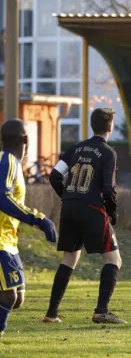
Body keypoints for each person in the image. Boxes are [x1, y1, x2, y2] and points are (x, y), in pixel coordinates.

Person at [44, 108, 126, 324]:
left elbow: (54, 175)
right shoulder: (108, 152)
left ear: (92, 125)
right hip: (92, 208)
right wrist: (113, 211)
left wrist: (68, 196)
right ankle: (101, 310)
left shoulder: (75, 148)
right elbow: (108, 189)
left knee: (69, 258)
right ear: (110, 127)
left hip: (69, 207)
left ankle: (51, 313)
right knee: (113, 259)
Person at [0, 120, 57, 340]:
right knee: (8, 296)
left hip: (9, 241)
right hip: (1, 242)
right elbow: (3, 198)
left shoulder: (11, 162)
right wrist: (38, 219)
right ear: (26, 140)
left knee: (18, 298)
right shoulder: (8, 162)